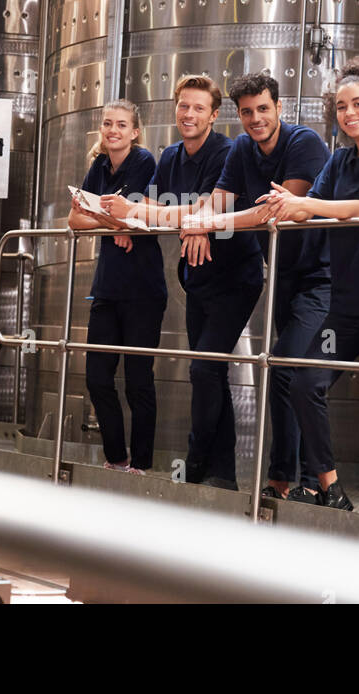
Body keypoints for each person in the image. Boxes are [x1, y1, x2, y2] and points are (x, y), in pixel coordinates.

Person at [258, 57, 359, 513]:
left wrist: (307, 205)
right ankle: (331, 487)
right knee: (305, 382)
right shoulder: (338, 162)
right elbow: (310, 204)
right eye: (342, 106)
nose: (350, 114)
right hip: (346, 305)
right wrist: (284, 206)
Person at [174, 73, 331, 502]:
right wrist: (196, 223)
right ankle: (282, 481)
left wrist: (211, 221)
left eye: (263, 109)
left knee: (292, 373)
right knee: (282, 375)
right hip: (282, 275)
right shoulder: (243, 148)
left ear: (279, 108)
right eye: (247, 112)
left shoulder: (305, 143)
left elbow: (276, 212)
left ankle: (315, 483)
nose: (255, 119)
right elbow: (222, 198)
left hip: (321, 278)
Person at [102, 76, 263, 491]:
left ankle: (194, 465)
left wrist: (187, 219)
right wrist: (135, 214)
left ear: (213, 115)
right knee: (211, 373)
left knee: (203, 369)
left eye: (197, 108)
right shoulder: (171, 155)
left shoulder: (226, 151)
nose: (188, 115)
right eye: (183, 107)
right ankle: (222, 474)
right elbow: (161, 207)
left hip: (235, 277)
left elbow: (209, 208)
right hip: (196, 278)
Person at [67, 100, 167, 475]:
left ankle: (140, 465)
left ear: (135, 131)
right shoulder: (99, 166)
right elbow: (76, 218)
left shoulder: (143, 163)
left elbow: (135, 214)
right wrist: (113, 224)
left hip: (142, 290)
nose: (113, 130)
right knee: (96, 377)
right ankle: (116, 458)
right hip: (107, 289)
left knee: (138, 382)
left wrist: (113, 219)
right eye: (108, 124)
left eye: (122, 125)